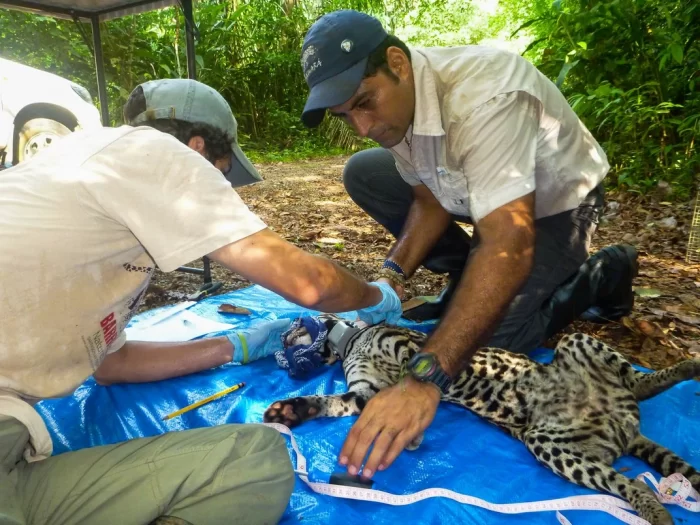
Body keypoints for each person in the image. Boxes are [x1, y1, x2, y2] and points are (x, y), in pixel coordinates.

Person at [0, 78, 402, 525]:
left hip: (13, 452)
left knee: (255, 459)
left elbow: (112, 365)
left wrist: (238, 345)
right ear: (195, 147)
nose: (224, 191)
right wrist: (377, 295)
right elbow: (311, 284)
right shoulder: (148, 151)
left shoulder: (77, 194)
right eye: (222, 172)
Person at [298, 10, 638, 480]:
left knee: (493, 346)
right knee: (365, 171)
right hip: (483, 200)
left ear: (397, 62)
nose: (362, 126)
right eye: (345, 115)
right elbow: (427, 199)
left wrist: (425, 378)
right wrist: (390, 278)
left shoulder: (485, 95)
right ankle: (468, 279)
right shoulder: (396, 112)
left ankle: (604, 275)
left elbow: (507, 239)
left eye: (365, 102)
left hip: (555, 207)